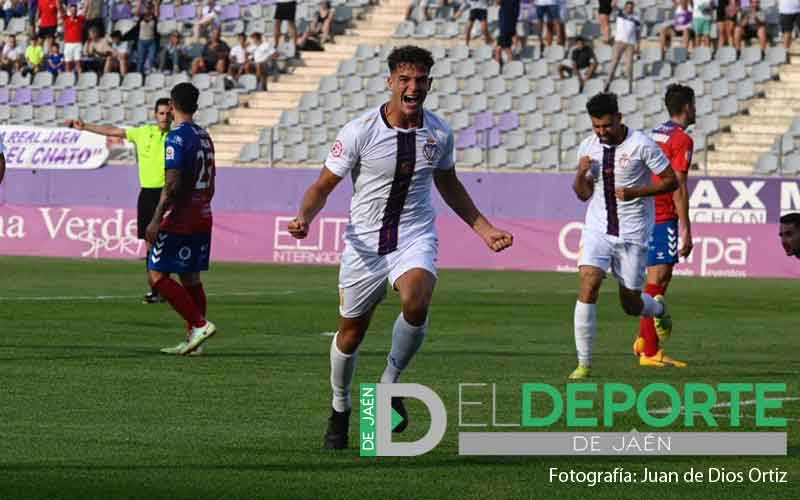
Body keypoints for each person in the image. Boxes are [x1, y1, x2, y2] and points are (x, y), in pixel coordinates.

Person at [288, 46, 513, 449]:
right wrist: (305, 216)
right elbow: (321, 187)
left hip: (413, 236)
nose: (413, 87)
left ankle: (389, 385)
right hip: (365, 247)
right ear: (390, 82)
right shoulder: (359, 131)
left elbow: (449, 184)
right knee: (350, 335)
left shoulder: (439, 132)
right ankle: (340, 408)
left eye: (421, 80)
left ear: (429, 83)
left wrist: (483, 228)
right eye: (405, 80)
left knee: (417, 298)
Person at [568, 92, 678, 379]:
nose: (602, 132)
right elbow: (583, 195)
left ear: (618, 118)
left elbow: (671, 181)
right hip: (597, 229)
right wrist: (580, 175)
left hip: (633, 233)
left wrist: (636, 193)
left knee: (630, 303)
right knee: (588, 282)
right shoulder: (588, 147)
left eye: (606, 126)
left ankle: (657, 308)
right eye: (596, 127)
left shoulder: (642, 145)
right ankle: (584, 363)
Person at [67, 99, 174, 306]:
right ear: (155, 115)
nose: (165, 117)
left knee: (167, 243)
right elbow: (113, 131)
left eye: (168, 113)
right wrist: (87, 126)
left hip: (168, 194)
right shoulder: (143, 133)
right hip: (147, 194)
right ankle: (157, 289)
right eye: (161, 113)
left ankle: (168, 288)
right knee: (150, 243)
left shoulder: (176, 138)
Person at [146, 83, 217, 355]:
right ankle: (194, 340)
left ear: (172, 106)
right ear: (196, 108)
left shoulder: (176, 137)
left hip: (182, 215)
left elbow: (172, 182)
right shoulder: (204, 136)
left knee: (157, 274)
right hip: (203, 213)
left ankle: (198, 324)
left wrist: (156, 218)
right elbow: (212, 183)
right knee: (190, 276)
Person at [633, 84, 695, 368]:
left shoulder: (655, 132)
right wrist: (686, 228)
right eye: (693, 106)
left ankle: (643, 341)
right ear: (686, 108)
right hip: (662, 212)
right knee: (659, 279)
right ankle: (650, 352)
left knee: (656, 278)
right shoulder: (682, 139)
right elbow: (679, 185)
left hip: (645, 210)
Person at [604, 1, 640, 92]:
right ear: (625, 7)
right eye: (627, 7)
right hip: (619, 42)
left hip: (630, 44)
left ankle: (629, 87)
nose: (629, 9)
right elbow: (612, 7)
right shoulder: (619, 13)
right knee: (614, 63)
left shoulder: (636, 18)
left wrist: (638, 45)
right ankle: (607, 83)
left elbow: (638, 32)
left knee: (629, 66)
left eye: (631, 7)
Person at [59, 0, 91, 75]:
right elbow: (60, 8)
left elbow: (86, 9)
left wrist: (88, 1)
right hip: (68, 44)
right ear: (69, 10)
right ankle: (67, 80)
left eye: (75, 9)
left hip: (78, 44)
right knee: (67, 64)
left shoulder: (80, 19)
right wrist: (59, 2)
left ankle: (81, 80)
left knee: (78, 63)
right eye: (72, 9)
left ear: (77, 10)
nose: (73, 11)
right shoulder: (66, 18)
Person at [136, 0, 159, 74]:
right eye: (146, 8)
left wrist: (155, 4)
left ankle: (150, 74)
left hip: (151, 42)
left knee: (151, 59)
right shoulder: (141, 17)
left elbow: (157, 13)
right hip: (141, 41)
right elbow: (137, 11)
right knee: (140, 60)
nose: (148, 9)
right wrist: (140, 2)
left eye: (149, 8)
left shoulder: (154, 18)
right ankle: (139, 75)